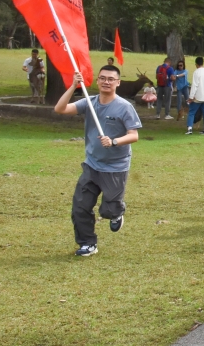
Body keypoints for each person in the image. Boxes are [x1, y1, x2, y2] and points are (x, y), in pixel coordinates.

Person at [54, 65, 141, 256]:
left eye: (111, 79)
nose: (106, 82)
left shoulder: (125, 107)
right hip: (92, 164)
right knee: (80, 206)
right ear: (98, 81)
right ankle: (88, 243)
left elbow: (133, 135)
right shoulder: (89, 102)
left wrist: (114, 141)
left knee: (107, 211)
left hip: (115, 167)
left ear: (118, 82)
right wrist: (73, 86)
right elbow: (60, 108)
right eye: (102, 78)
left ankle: (117, 211)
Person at [185, 57, 204, 135]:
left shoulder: (196, 72)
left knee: (191, 112)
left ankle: (189, 128)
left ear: (196, 64)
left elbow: (195, 85)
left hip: (198, 96)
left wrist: (191, 96)